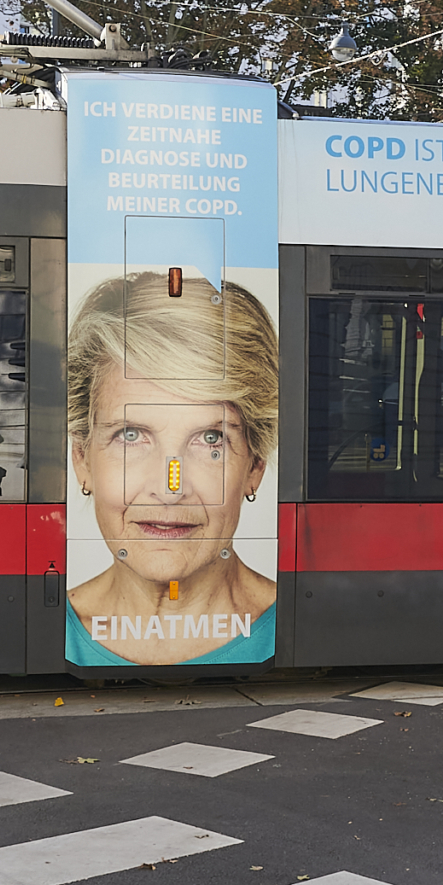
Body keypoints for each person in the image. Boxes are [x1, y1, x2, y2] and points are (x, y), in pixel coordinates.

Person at [65, 271, 279, 666]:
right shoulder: (40, 630)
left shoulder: (301, 627)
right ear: (82, 457)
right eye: (130, 436)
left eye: (210, 439)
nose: (169, 488)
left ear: (256, 464)